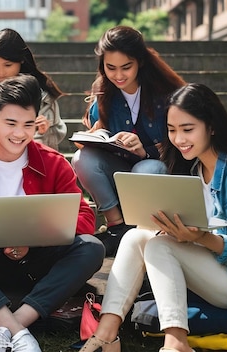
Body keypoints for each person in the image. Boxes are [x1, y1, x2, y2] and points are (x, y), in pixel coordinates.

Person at [79, 83, 227, 352]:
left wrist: (200, 238)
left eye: (187, 129)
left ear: (212, 126)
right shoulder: (191, 168)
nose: (179, 139)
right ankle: (106, 335)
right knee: (136, 235)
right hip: (211, 267)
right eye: (172, 130)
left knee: (160, 246)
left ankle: (176, 343)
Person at [0, 75, 105, 352]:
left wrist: (39, 235)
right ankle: (21, 334)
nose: (19, 134)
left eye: (28, 125)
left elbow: (85, 218)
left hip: (38, 261)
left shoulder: (54, 163)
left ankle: (11, 325)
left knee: (92, 247)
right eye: (10, 123)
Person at [71, 26, 185, 256]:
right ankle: (116, 226)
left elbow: (183, 143)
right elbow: (93, 133)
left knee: (146, 168)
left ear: (140, 62)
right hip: (119, 167)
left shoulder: (166, 92)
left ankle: (140, 227)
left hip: (157, 168)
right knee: (82, 159)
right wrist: (96, 138)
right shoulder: (103, 90)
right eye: (110, 68)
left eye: (126, 67)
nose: (118, 75)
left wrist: (146, 150)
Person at [0, 28, 67, 151]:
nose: (0, 72)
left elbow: (52, 142)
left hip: (31, 157)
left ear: (21, 60)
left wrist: (45, 131)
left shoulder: (42, 94)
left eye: (8, 65)